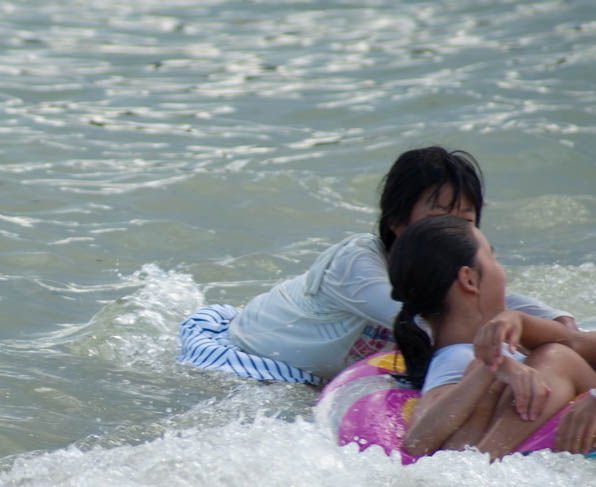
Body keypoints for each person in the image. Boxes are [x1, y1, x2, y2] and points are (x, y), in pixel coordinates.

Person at [179, 146, 575, 384]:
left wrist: (561, 329)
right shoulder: (355, 264)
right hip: (249, 355)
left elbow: (503, 306)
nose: (451, 232)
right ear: (397, 223)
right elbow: (444, 320)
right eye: (437, 217)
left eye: (465, 221)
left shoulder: (459, 277)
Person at [388, 215, 596, 459]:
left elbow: (576, 342)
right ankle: (486, 461)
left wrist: (518, 325)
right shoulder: (457, 358)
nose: (501, 270)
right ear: (469, 279)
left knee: (554, 354)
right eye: (493, 257)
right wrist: (490, 368)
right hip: (512, 452)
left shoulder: (504, 338)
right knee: (555, 356)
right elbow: (417, 441)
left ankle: (483, 463)